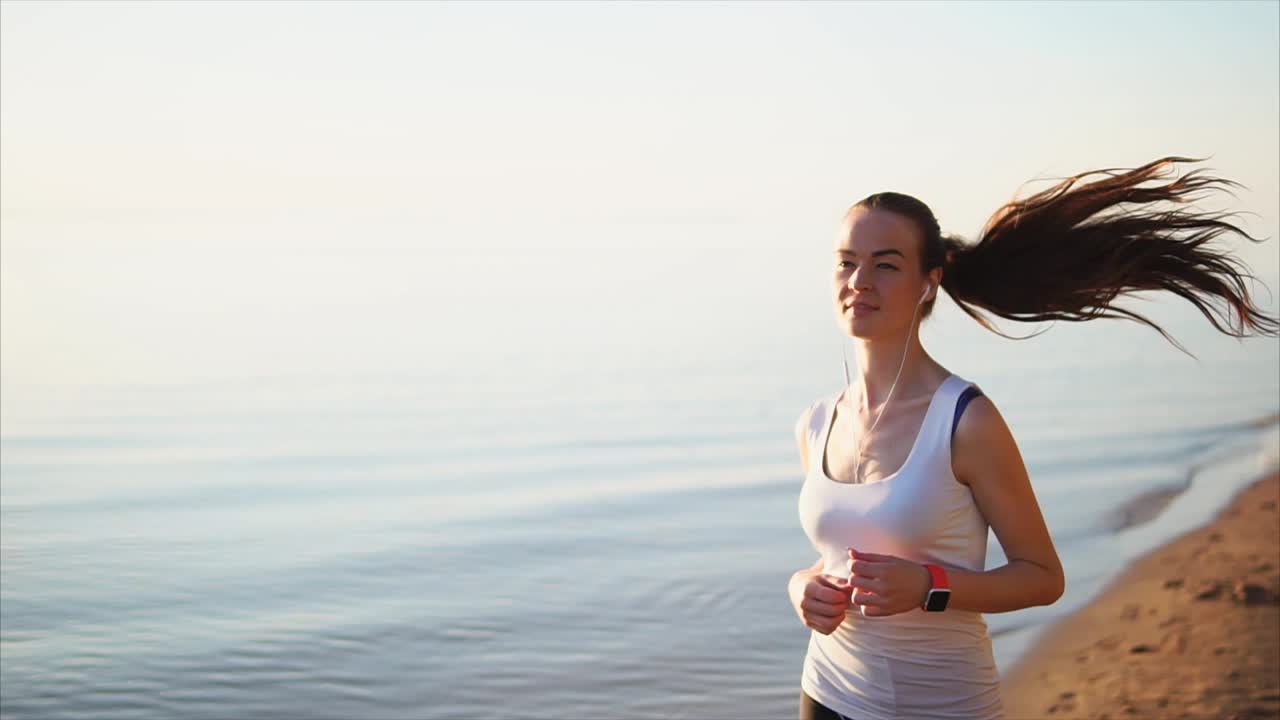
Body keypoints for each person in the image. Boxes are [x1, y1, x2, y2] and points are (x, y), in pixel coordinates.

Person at [786, 156, 1279, 720]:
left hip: (941, 704)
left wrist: (928, 585)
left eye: (886, 265)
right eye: (846, 262)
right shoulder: (817, 421)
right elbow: (830, 555)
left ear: (929, 284)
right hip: (825, 692)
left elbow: (1043, 578)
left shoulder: (965, 420)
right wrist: (802, 586)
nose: (860, 282)